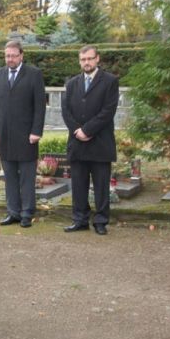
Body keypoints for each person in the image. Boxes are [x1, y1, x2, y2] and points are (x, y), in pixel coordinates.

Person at [61, 45, 119, 236]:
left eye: (90, 59)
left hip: (100, 143)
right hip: (77, 143)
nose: (86, 62)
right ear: (80, 61)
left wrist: (87, 130)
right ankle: (80, 219)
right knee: (78, 185)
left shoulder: (110, 81)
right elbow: (66, 111)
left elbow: (108, 111)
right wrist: (77, 130)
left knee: (101, 186)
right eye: (83, 59)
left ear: (97, 59)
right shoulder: (72, 84)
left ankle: (101, 221)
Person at [0, 40, 46, 228]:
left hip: (27, 135)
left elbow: (39, 106)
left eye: (13, 55)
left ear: (21, 55)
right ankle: (13, 212)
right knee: (9, 176)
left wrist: (36, 131)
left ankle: (27, 213)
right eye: (7, 56)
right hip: (5, 136)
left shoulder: (34, 74)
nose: (10, 59)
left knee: (27, 177)